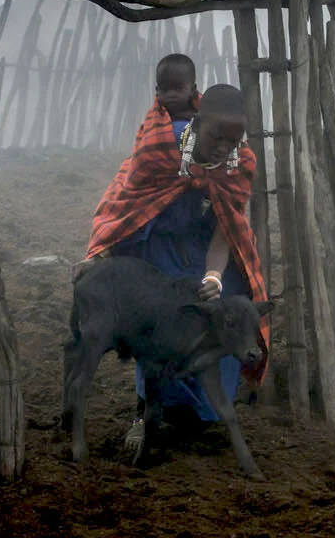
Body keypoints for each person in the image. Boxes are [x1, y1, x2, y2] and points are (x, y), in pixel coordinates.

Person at [77, 58, 269, 451]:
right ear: (199, 122)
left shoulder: (240, 159)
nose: (224, 148)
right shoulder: (162, 146)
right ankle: (144, 412)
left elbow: (226, 225)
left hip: (203, 249)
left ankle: (196, 416)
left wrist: (214, 275)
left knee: (227, 313)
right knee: (161, 321)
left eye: (233, 141)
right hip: (155, 241)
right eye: (217, 137)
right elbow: (131, 200)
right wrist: (102, 255)